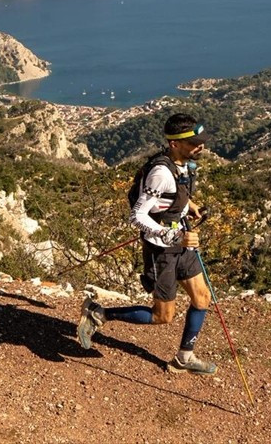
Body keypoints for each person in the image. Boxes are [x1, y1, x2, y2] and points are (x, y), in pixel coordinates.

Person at [77, 113, 217, 375]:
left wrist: (189, 207)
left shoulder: (183, 165)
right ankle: (99, 313)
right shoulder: (161, 174)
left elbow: (173, 197)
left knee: (202, 298)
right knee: (162, 316)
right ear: (174, 144)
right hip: (162, 249)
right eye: (194, 142)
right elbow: (138, 216)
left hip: (182, 241)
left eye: (201, 140)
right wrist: (174, 236)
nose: (201, 146)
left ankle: (184, 358)